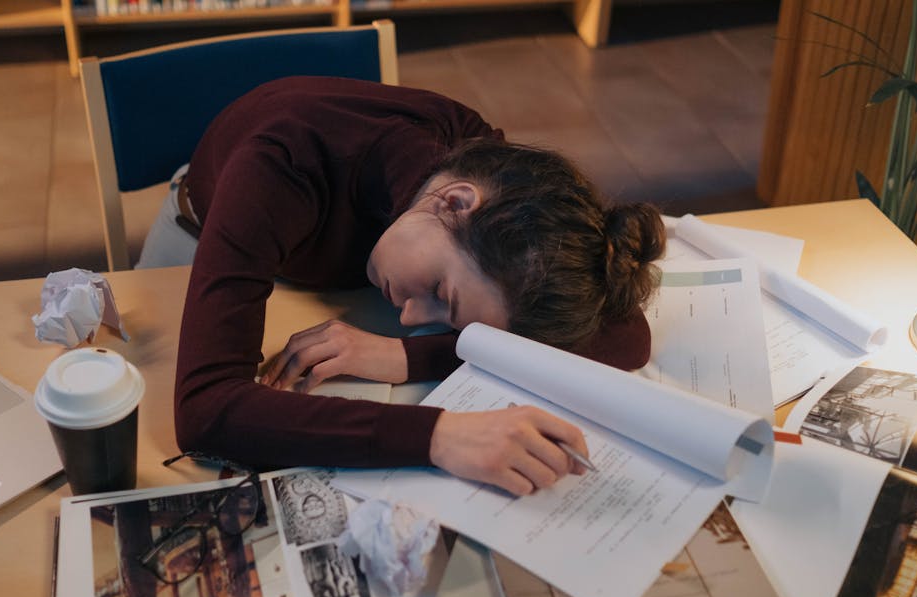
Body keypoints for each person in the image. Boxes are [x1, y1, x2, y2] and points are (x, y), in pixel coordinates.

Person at [152, 76, 666, 497]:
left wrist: (400, 358)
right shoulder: (278, 167)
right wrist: (440, 436)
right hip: (202, 231)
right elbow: (205, 410)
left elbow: (627, 338)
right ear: (455, 202)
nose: (412, 321)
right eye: (442, 295)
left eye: (446, 315)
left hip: (331, 278)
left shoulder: (493, 179)